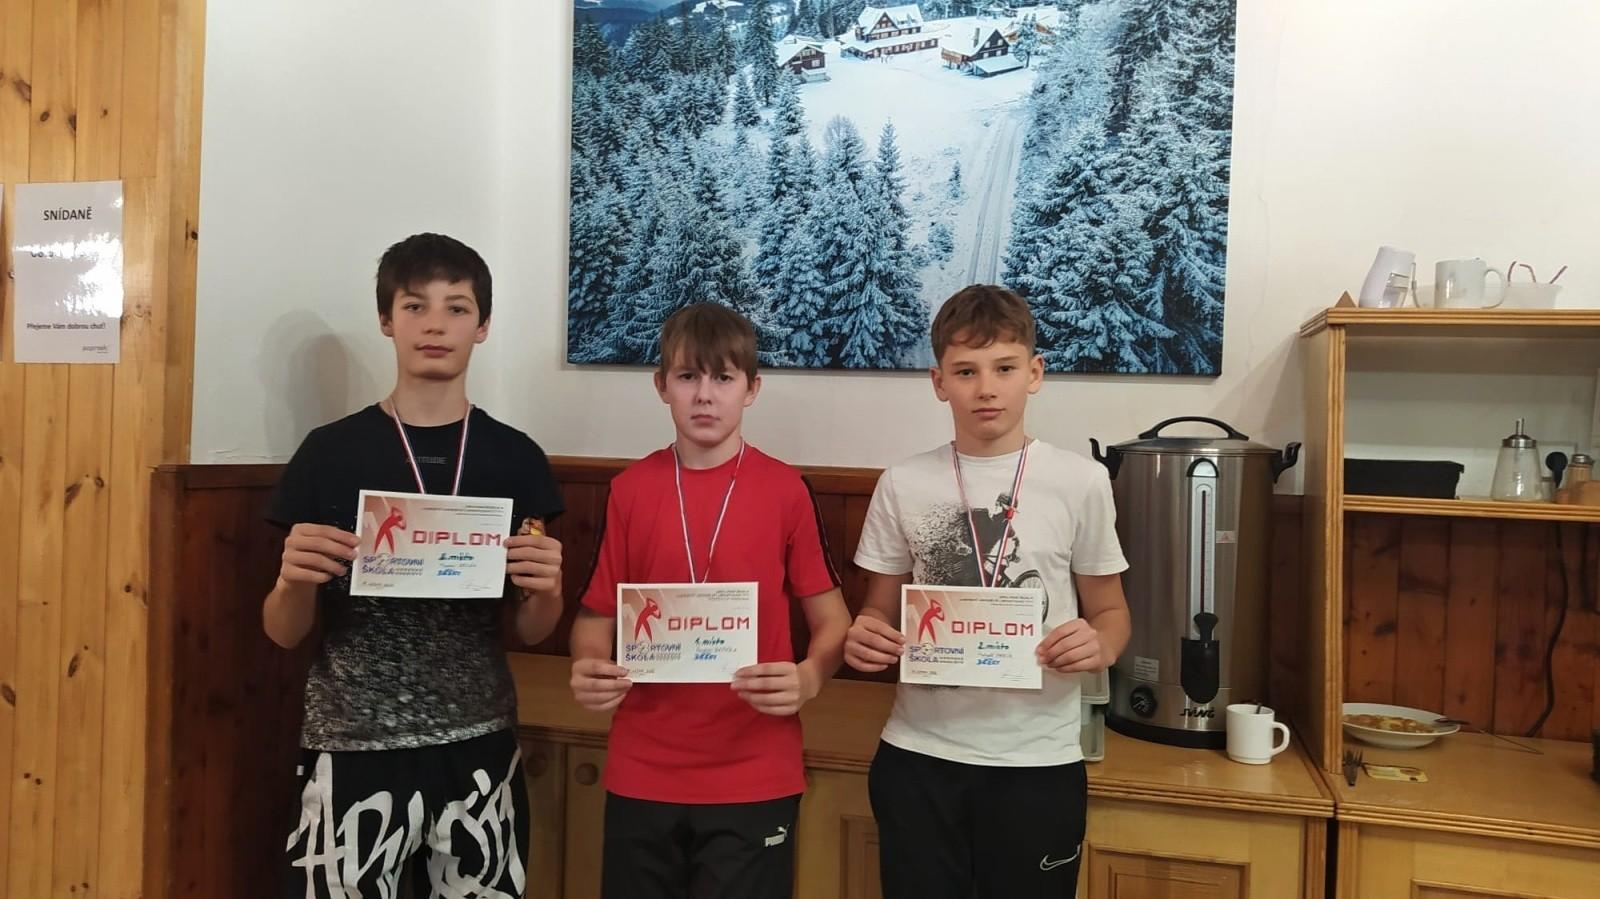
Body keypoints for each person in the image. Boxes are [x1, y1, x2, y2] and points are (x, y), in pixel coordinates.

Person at [265, 233, 564, 898]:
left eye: (457, 308)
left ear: (482, 326)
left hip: (478, 741)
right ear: (386, 320)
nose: (435, 324)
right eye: (414, 305)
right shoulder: (328, 454)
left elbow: (533, 628)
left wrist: (548, 590)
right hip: (350, 743)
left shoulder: (516, 458)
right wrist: (291, 582)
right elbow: (284, 631)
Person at [844, 284, 1132, 898]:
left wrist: (1101, 645)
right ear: (938, 381)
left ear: (1035, 373)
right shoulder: (902, 482)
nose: (986, 388)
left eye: (1004, 368)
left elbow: (1111, 613)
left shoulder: (1081, 482)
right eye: (966, 371)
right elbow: (876, 610)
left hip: (1038, 762)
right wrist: (866, 637)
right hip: (919, 756)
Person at [568, 302, 852, 899]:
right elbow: (594, 618)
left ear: (752, 389)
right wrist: (589, 666)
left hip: (755, 771)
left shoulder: (786, 490)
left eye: (723, 377)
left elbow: (832, 622)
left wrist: (809, 677)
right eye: (687, 376)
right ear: (661, 386)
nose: (704, 395)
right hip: (643, 770)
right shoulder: (629, 490)